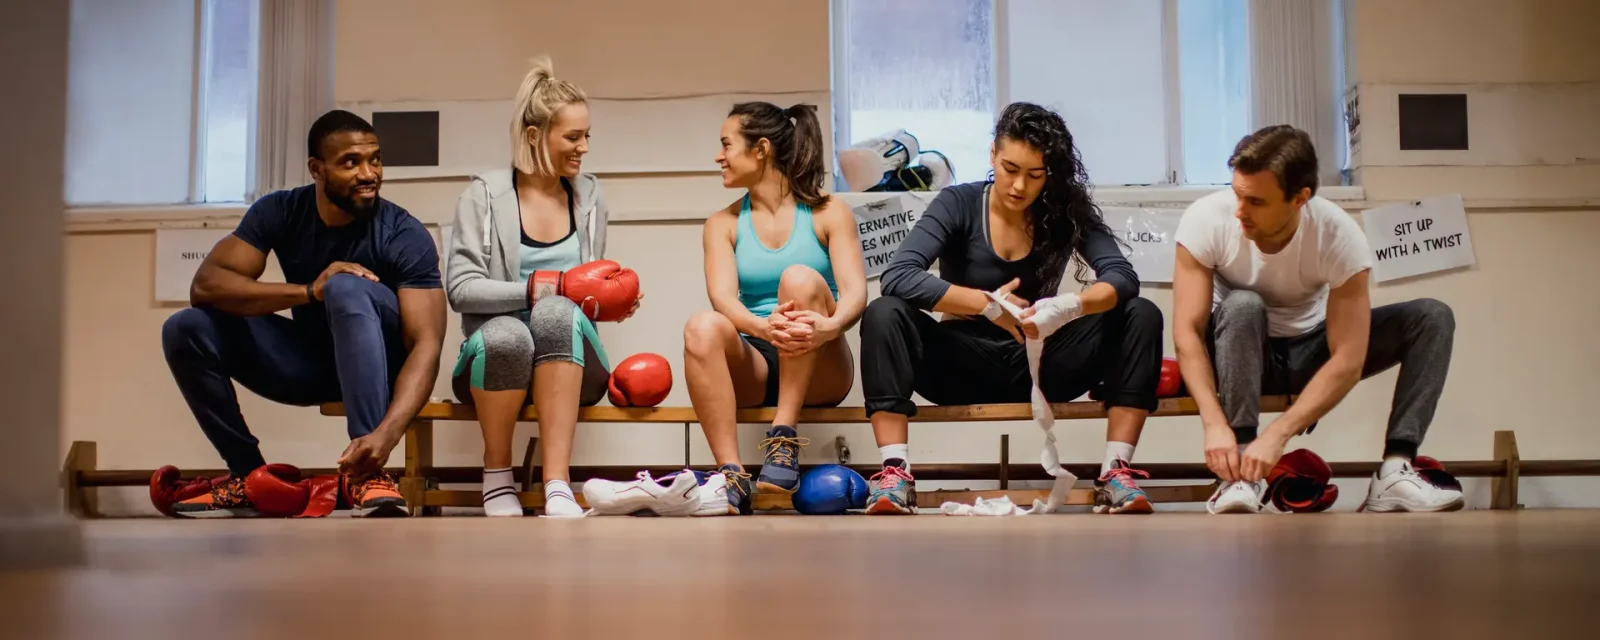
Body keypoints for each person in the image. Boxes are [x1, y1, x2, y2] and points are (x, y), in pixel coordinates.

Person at [860, 102, 1164, 515]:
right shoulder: (958, 203)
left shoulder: (1064, 212)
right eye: (1010, 168)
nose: (1020, 185)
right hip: (961, 365)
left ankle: (1116, 472)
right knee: (885, 312)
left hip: (1041, 365)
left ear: (1049, 174)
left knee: (1140, 314)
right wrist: (987, 306)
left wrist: (1070, 306)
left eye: (1034, 175)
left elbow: (1122, 277)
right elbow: (899, 275)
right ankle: (895, 473)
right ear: (992, 155)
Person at [160, 110, 447, 518]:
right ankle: (248, 477)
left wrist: (387, 434)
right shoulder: (280, 211)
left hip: (380, 371)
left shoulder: (403, 233)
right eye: (351, 162)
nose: (369, 173)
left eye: (376, 159)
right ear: (317, 168)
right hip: (310, 363)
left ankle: (366, 474)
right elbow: (205, 286)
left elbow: (426, 344)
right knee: (186, 327)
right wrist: (310, 291)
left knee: (347, 285)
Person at [1171, 124, 1462, 514]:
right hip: (1237, 351)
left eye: (1256, 202)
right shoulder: (1207, 219)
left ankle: (1396, 469)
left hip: (1311, 353)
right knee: (1242, 304)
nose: (1240, 210)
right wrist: (1213, 424)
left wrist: (1279, 433)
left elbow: (1347, 358)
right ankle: (1240, 474)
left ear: (1299, 198)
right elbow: (1187, 332)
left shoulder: (1339, 237)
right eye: (1237, 194)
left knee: (1432, 316)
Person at [445, 59, 637, 518]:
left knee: (556, 315)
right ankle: (496, 477)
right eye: (573, 137)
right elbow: (461, 289)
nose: (584, 147)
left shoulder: (589, 196)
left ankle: (556, 482)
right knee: (510, 333)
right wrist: (547, 286)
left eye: (588, 135)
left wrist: (610, 299)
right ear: (535, 136)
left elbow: (584, 297)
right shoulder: (483, 195)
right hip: (496, 353)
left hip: (570, 355)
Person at [682, 101, 868, 515]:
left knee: (799, 278)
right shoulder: (723, 224)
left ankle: (783, 436)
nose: (719, 156)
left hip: (821, 359)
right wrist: (766, 329)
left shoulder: (828, 211)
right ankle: (731, 475)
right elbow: (724, 300)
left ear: (761, 149)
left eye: (726, 145)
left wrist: (829, 326)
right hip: (760, 357)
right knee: (701, 326)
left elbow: (856, 294)